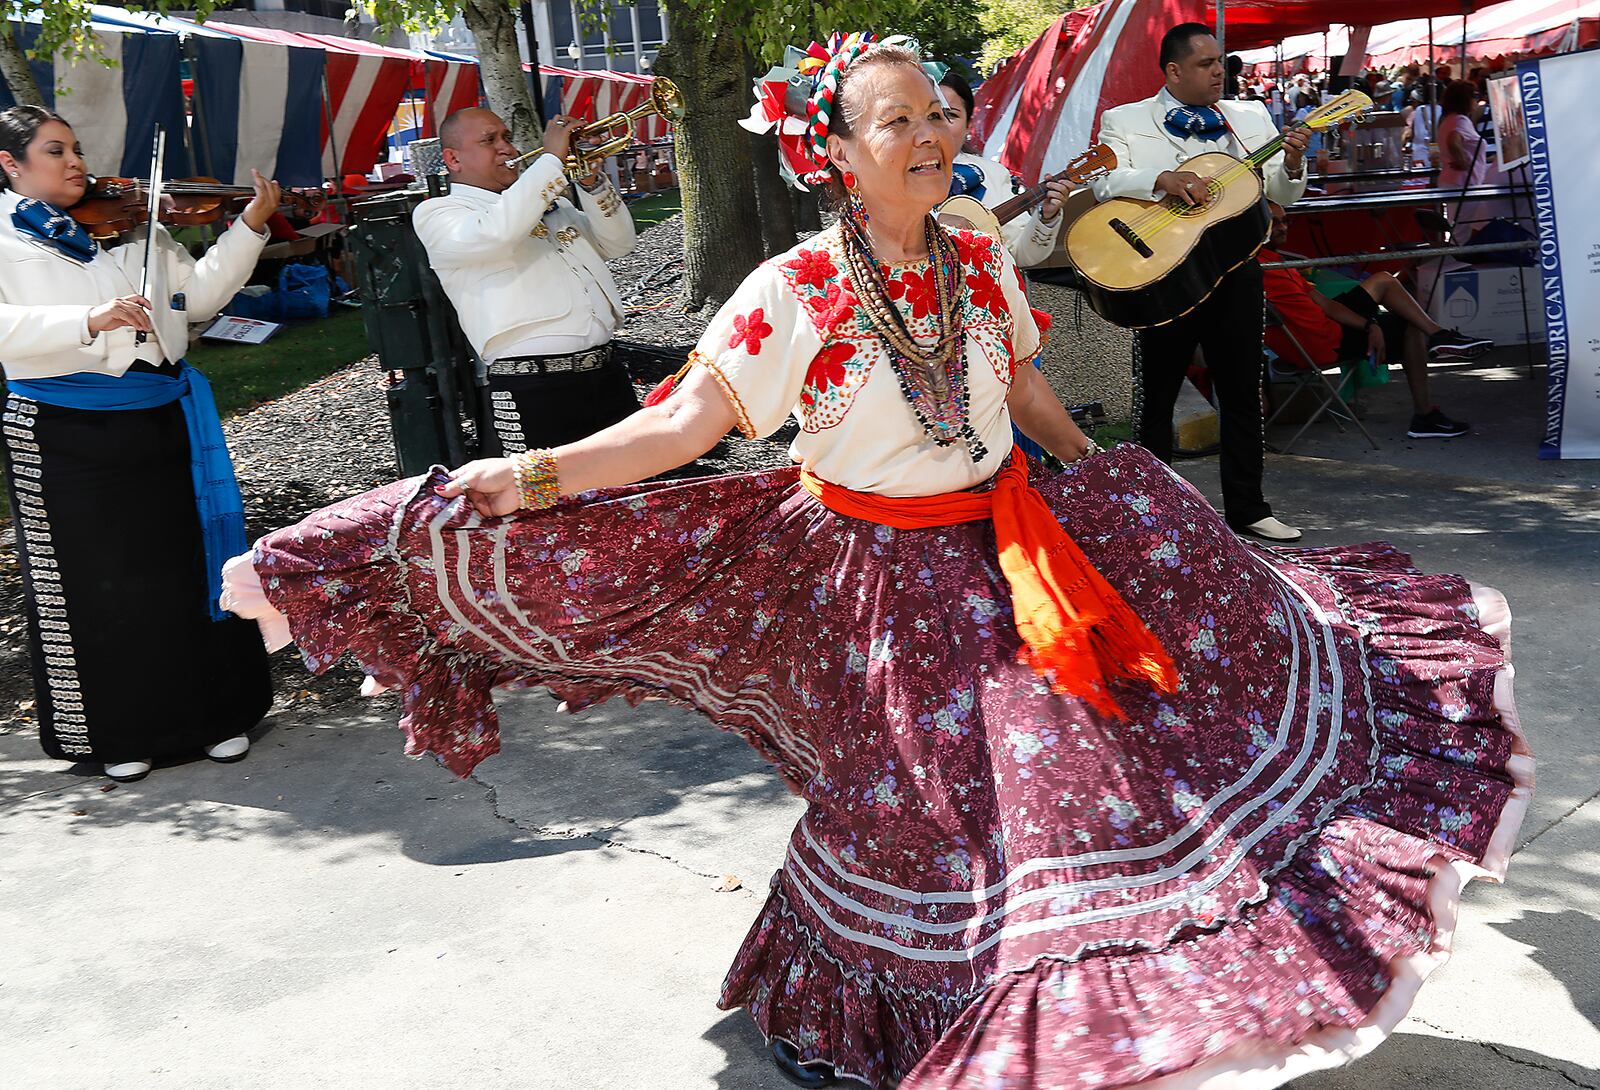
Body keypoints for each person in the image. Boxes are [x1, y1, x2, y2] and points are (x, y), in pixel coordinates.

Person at [221, 31, 1528, 1090]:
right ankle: (842, 1013)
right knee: (905, 814)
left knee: (1070, 782)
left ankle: (1060, 994)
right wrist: (533, 475)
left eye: (940, 114)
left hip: (1008, 541)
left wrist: (1100, 474)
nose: (933, 136)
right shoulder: (792, 290)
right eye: (896, 121)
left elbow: (1015, 381)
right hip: (869, 579)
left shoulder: (971, 246)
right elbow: (683, 427)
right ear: (834, 153)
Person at [0, 105, 280, 782]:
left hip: (158, 413)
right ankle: (122, 732)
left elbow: (203, 297)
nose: (76, 163)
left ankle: (217, 717)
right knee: (101, 583)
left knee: (185, 567)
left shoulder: (130, 226)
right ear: (10, 164)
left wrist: (249, 226)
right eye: (55, 151)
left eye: (75, 149)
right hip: (65, 429)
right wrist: (86, 318)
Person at [1091, 22, 1311, 543]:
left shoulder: (1251, 117)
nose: (1220, 72)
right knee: (1159, 394)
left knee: (1241, 389)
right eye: (1207, 64)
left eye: (1221, 62)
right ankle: (1152, 513)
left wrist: (1295, 159)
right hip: (1163, 272)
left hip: (1236, 269)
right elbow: (1102, 182)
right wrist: (1159, 179)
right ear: (1173, 71)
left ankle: (1249, 508)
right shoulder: (1124, 119)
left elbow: (1282, 190)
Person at [413, 107, 641, 454]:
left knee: (634, 491)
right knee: (548, 505)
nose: (507, 148)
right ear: (453, 159)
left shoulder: (547, 204)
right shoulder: (440, 214)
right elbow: (497, 233)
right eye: (490, 140)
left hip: (608, 373)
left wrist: (591, 183)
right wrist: (550, 160)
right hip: (534, 388)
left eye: (506, 137)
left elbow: (619, 243)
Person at [1261, 202, 1489, 439]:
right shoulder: (1260, 268)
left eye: (1285, 220)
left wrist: (1370, 324)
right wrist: (1370, 325)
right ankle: (1425, 414)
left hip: (1322, 329)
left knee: (1384, 280)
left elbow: (1327, 305)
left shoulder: (1275, 261)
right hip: (1318, 344)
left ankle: (1439, 335)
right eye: (1274, 222)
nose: (1283, 227)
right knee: (1408, 325)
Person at [938, 70, 1070, 268]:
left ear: (968, 126)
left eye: (950, 115)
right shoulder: (888, 173)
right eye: (931, 114)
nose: (938, 124)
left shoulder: (993, 174)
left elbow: (1020, 254)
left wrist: (1046, 217)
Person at [1438, 79, 1490, 191]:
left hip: (1454, 181)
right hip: (1463, 183)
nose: (1476, 100)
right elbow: (1453, 140)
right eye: (1474, 96)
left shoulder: (1448, 120)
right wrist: (1462, 161)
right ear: (1465, 99)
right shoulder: (1461, 120)